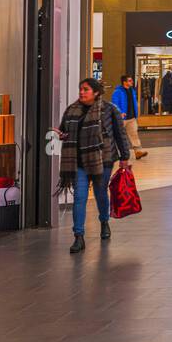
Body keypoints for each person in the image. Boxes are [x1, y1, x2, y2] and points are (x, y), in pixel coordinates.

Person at [58, 78, 130, 255]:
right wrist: (61, 135)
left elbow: (120, 134)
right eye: (80, 89)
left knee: (100, 193)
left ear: (96, 92)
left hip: (103, 159)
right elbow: (64, 130)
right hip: (79, 161)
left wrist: (125, 157)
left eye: (86, 89)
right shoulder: (71, 110)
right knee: (80, 198)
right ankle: (78, 236)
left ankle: (104, 222)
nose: (82, 92)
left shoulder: (109, 110)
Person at [110, 74, 148, 160]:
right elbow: (114, 104)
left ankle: (138, 152)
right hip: (121, 119)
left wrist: (136, 113)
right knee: (118, 136)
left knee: (134, 135)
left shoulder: (132, 91)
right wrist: (119, 113)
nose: (132, 82)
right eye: (130, 81)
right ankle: (112, 153)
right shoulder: (117, 92)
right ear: (124, 82)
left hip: (131, 118)